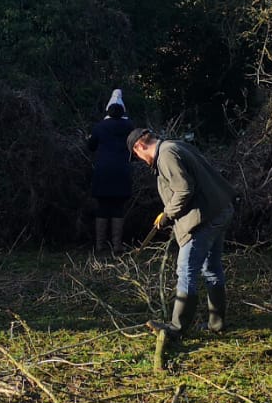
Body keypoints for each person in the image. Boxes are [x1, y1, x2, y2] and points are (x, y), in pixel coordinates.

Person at [129, 127, 237, 339]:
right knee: (212, 268)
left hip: (204, 218)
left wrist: (167, 213)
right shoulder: (176, 145)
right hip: (220, 210)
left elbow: (184, 189)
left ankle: (177, 328)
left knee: (186, 270)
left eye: (137, 155)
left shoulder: (166, 155)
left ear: (140, 146)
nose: (140, 160)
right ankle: (217, 323)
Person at [86, 88, 135, 254]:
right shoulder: (129, 126)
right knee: (118, 208)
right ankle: (117, 245)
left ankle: (100, 245)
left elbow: (91, 146)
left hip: (103, 171)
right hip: (122, 170)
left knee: (102, 207)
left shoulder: (100, 126)